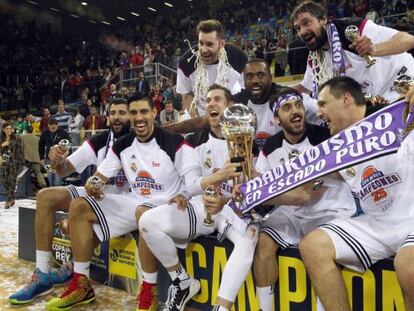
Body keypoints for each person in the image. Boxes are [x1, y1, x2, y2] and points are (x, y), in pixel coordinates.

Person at [44, 95, 190, 311]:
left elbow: (193, 181)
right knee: (80, 205)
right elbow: (99, 177)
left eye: (143, 112)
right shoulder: (122, 145)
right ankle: (81, 282)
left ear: (153, 113)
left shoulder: (173, 142)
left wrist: (185, 195)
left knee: (145, 213)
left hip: (167, 206)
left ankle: (148, 290)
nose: (139, 118)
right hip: (136, 202)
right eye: (134, 113)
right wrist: (93, 185)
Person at [139, 84, 259, 311]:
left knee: (250, 236)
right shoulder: (193, 140)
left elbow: (256, 184)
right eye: (208, 100)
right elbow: (192, 183)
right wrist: (205, 184)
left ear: (230, 106)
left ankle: (221, 308)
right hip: (202, 207)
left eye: (217, 99)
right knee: (147, 221)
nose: (212, 103)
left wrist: (228, 199)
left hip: (232, 208)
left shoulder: (247, 138)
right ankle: (182, 281)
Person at [299, 76, 414, 311]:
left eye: (322, 103)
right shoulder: (335, 147)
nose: (318, 113)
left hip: (411, 218)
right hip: (374, 223)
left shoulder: (399, 115)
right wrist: (255, 190)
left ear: (345, 99)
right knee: (313, 246)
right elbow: (302, 188)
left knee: (409, 267)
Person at [9, 98, 131, 306]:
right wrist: (57, 159)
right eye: (113, 113)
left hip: (123, 201)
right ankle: (43, 275)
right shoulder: (101, 140)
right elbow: (65, 170)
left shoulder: (140, 140)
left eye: (122, 112)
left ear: (131, 115)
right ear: (107, 116)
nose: (117, 117)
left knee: (78, 212)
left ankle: (73, 268)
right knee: (45, 196)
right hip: (96, 194)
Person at [253, 87, 355, 311]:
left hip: (328, 210)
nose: (296, 111)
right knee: (262, 242)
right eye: (287, 108)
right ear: (276, 119)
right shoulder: (270, 147)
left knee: (319, 249)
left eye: (298, 105)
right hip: (291, 213)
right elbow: (261, 189)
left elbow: (348, 173)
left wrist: (316, 176)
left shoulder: (325, 135)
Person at [292, 1, 414, 101]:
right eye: (298, 28)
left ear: (323, 20)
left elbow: (408, 40)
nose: (302, 31)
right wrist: (276, 92)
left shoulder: (351, 30)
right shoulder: (315, 59)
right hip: (380, 102)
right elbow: (305, 88)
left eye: (307, 23)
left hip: (404, 81)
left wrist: (375, 50)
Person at [177, 19, 247, 117]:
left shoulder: (238, 58)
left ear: (221, 44)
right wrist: (199, 121)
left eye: (209, 44)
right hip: (200, 114)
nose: (204, 50)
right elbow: (186, 94)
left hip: (230, 112)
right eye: (201, 43)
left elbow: (245, 91)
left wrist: (233, 116)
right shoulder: (186, 62)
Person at [38, 118, 70, 187]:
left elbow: (69, 147)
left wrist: (66, 158)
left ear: (57, 125)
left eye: (53, 128)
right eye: (50, 128)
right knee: (50, 180)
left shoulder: (63, 133)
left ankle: (58, 196)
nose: (51, 130)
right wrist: (41, 158)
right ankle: (52, 196)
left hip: (59, 161)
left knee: (57, 181)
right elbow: (41, 146)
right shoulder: (45, 133)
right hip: (48, 161)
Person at [0, 122, 24, 208]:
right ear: (3, 130)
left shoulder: (17, 138)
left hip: (14, 162)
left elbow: (20, 150)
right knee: (4, 180)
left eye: (10, 128)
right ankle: (12, 197)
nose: (9, 130)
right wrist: (2, 145)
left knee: (12, 180)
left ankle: (9, 200)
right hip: (3, 162)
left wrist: (21, 162)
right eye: (7, 129)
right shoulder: (1, 139)